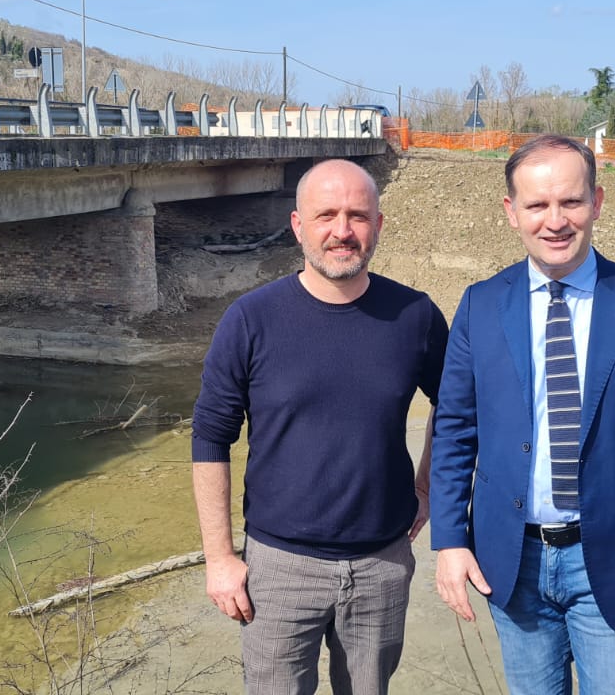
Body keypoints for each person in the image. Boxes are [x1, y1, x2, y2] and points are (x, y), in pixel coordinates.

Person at [430, 134, 615, 694]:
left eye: (571, 202)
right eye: (537, 205)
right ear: (511, 213)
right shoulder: (481, 305)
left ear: (597, 202)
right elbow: (455, 430)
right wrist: (450, 539)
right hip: (512, 560)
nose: (555, 221)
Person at [191, 158, 448, 694]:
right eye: (326, 214)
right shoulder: (251, 318)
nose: (342, 231)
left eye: (357, 215)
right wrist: (219, 558)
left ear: (377, 225)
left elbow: (455, 409)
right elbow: (211, 436)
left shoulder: (416, 316)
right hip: (278, 569)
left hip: (382, 563)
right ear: (298, 225)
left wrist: (427, 487)